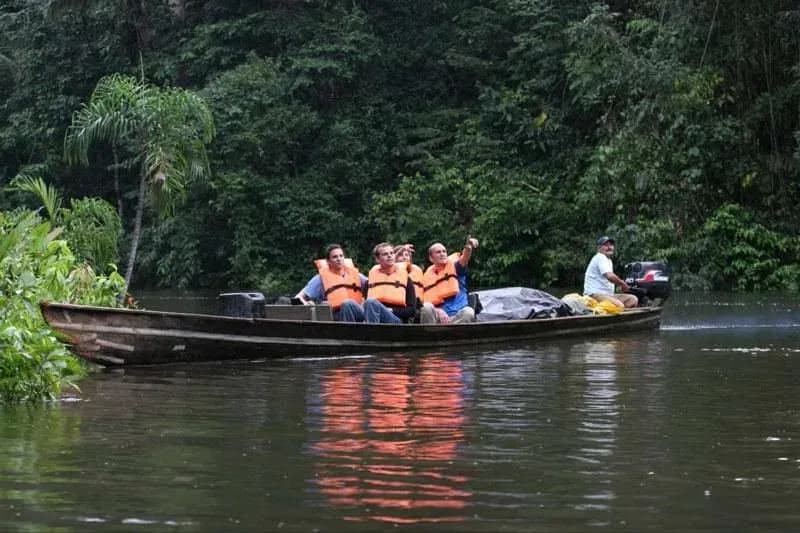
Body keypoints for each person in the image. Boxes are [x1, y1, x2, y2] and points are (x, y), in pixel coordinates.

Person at [295, 244, 367, 322]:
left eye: (341, 256)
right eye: (335, 257)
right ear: (328, 261)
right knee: (347, 304)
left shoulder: (356, 275)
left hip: (358, 313)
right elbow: (299, 297)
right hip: (336, 315)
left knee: (357, 304)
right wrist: (305, 303)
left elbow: (371, 285)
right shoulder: (320, 278)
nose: (339, 259)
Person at [420, 236, 479, 324]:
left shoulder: (455, 267)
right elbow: (425, 302)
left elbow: (464, 259)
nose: (442, 254)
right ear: (431, 258)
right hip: (437, 318)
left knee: (469, 312)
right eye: (438, 252)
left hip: (457, 316)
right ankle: (430, 335)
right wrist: (438, 311)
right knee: (426, 307)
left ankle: (454, 335)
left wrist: (468, 248)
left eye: (444, 251)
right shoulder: (426, 276)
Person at [364, 243, 417, 323]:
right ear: (377, 259)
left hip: (396, 319)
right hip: (373, 314)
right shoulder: (370, 280)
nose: (389, 256)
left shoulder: (406, 279)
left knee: (370, 302)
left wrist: (391, 310)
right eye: (385, 254)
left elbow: (412, 310)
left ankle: (373, 334)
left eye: (391, 253)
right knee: (348, 304)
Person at [583, 236, 638, 309]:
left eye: (611, 245)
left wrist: (620, 286)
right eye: (606, 245)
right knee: (619, 306)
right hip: (594, 294)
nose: (609, 247)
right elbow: (610, 276)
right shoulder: (600, 257)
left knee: (632, 299)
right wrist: (622, 284)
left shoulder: (608, 260)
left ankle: (620, 316)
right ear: (599, 248)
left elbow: (610, 280)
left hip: (608, 295)